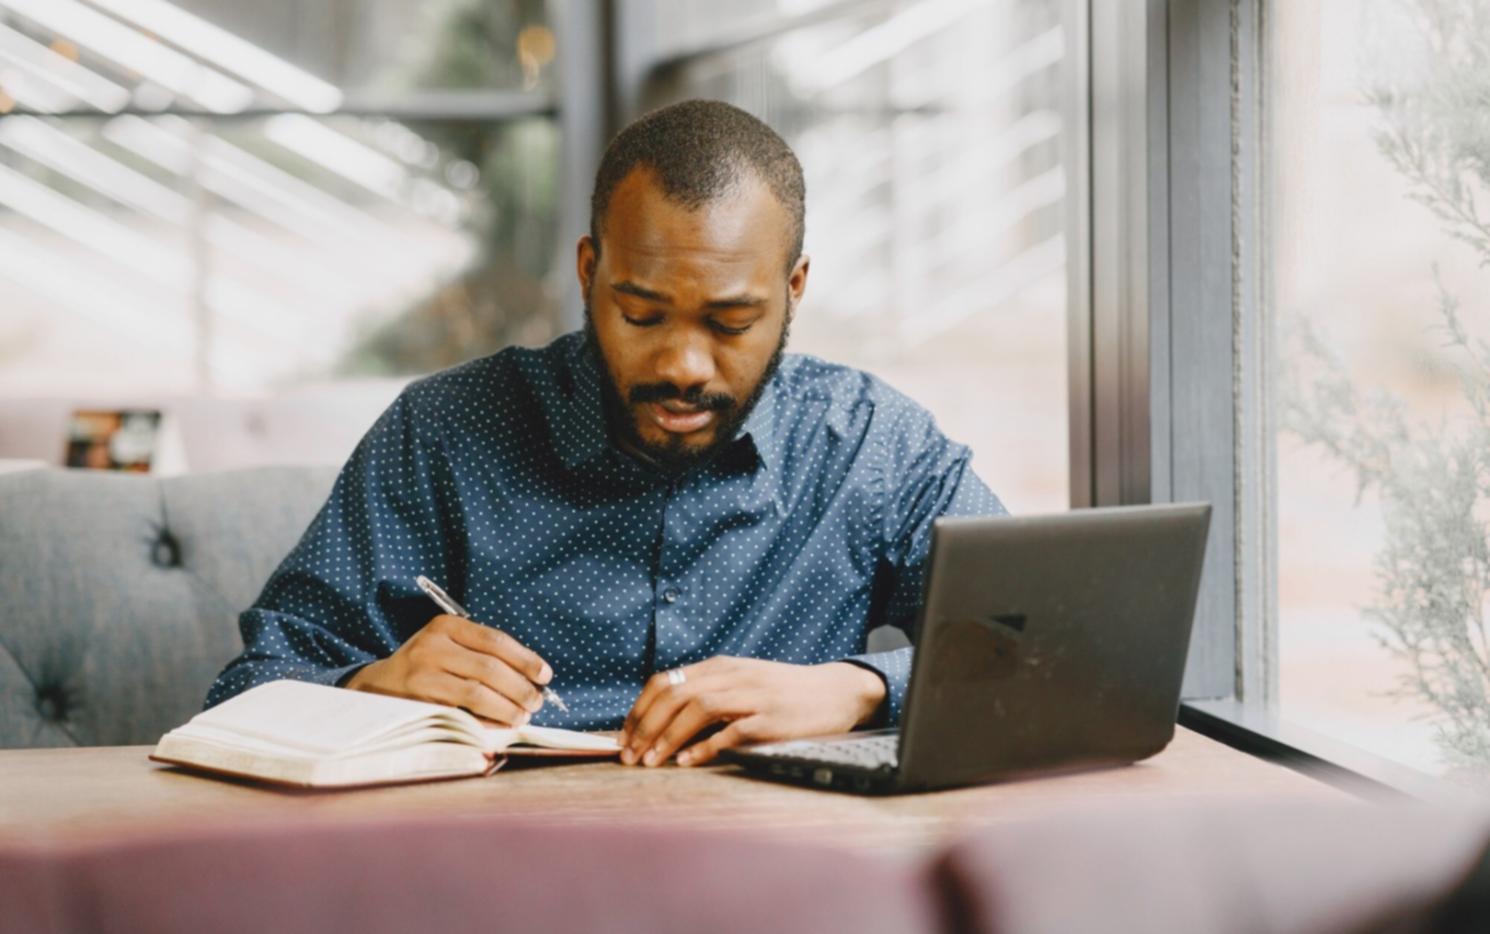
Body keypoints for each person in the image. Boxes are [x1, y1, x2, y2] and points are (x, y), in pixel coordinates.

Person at [206, 99, 1006, 768]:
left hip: (783, 875)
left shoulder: (871, 444)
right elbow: (248, 689)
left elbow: (1048, 640)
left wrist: (855, 688)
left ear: (793, 289)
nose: (684, 365)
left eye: (732, 322)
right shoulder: (444, 431)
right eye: (641, 314)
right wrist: (372, 683)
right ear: (589, 272)